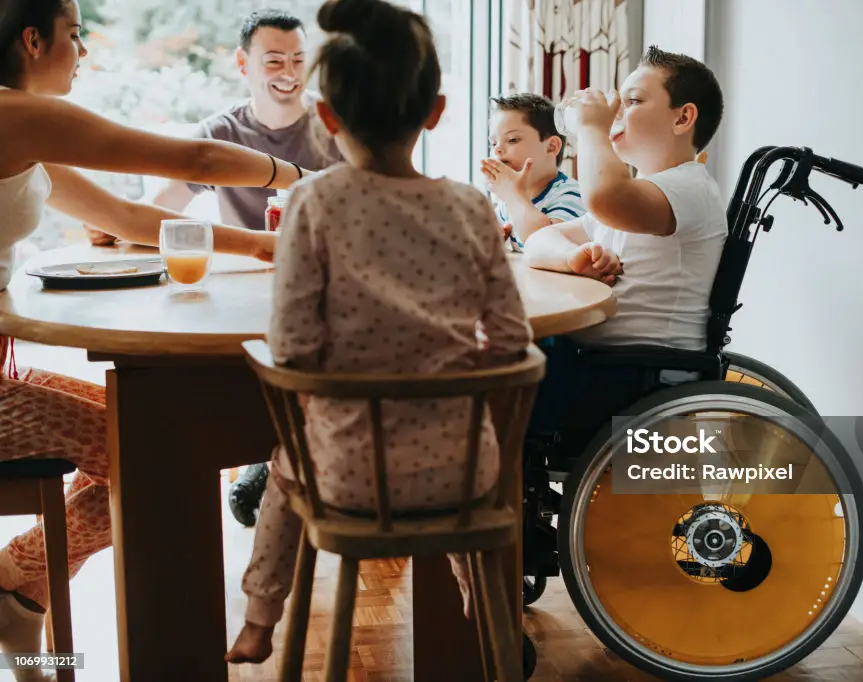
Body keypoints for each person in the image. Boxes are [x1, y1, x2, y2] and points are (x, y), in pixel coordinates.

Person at [0, 2, 307, 676]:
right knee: (155, 451)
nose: (83, 49)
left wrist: (264, 245)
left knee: (155, 434)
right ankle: (14, 581)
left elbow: (130, 216)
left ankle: (18, 591)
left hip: (4, 374)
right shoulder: (13, 113)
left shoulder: (20, 131)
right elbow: (193, 156)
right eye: (75, 34)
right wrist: (299, 179)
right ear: (31, 39)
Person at [225, 0, 533, 664]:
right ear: (437, 111)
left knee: (286, 463)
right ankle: (487, 616)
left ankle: (258, 616)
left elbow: (295, 347)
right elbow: (511, 339)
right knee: (459, 481)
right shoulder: (472, 208)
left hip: (351, 478)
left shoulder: (314, 201)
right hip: (465, 471)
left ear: (327, 117)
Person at [142, 8, 346, 529]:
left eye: (299, 59)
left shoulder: (335, 125)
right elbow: (161, 207)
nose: (288, 72)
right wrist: (119, 223)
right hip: (248, 294)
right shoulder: (222, 132)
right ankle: (270, 454)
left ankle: (275, 459)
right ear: (243, 64)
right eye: (274, 59)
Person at [521, 45, 728, 452]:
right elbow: (539, 239)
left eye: (632, 101)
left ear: (683, 117)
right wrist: (571, 258)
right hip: (603, 365)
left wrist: (592, 129)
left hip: (639, 379)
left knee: (499, 376)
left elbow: (603, 197)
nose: (615, 111)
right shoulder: (640, 195)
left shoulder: (689, 189)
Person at [481, 93, 587, 252]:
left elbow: (545, 247)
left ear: (551, 147)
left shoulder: (572, 195)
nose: (497, 149)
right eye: (493, 143)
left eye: (512, 140)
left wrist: (513, 196)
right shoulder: (508, 201)